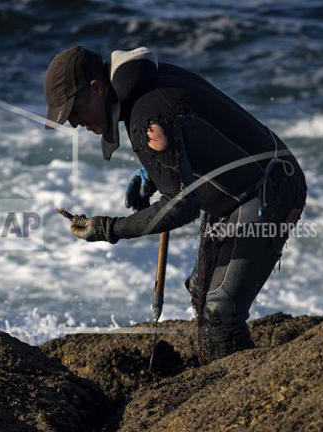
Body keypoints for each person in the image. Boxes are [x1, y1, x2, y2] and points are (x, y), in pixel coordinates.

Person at [44, 46, 307, 364]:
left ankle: (248, 396)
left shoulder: (147, 114)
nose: (73, 123)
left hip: (268, 190)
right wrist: (158, 173)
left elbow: (182, 206)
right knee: (201, 291)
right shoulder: (143, 86)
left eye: (73, 111)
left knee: (220, 312)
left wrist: (109, 228)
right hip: (237, 190)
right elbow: (199, 135)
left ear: (97, 88)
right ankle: (223, 380)